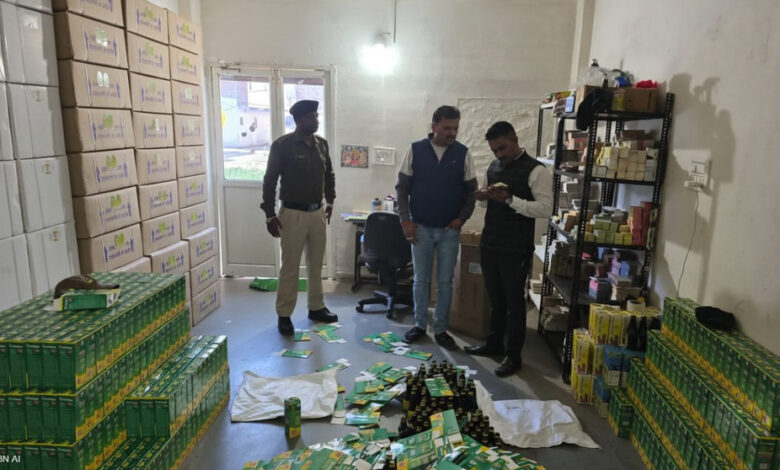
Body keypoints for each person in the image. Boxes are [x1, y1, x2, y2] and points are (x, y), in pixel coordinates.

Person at [464, 121, 553, 377]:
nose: (499, 154)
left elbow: (546, 209)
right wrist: (483, 197)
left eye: (502, 148)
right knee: (496, 299)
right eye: (494, 150)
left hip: (515, 247)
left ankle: (513, 356)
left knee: (515, 303)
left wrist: (511, 200)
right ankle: (493, 344)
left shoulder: (537, 170)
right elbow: (486, 207)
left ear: (515, 139)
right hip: (490, 242)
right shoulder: (494, 167)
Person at [395, 105, 478, 350]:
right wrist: (405, 220)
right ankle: (420, 325)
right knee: (421, 280)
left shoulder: (463, 153)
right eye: (447, 128)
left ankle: (441, 329)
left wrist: (461, 220)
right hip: (420, 228)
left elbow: (472, 193)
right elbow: (402, 188)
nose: (452, 132)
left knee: (444, 282)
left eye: (455, 128)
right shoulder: (415, 150)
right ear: (434, 127)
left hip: (449, 231)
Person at [261, 100, 338, 336]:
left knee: (316, 264)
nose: (316, 120)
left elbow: (329, 174)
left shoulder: (321, 145)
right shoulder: (283, 146)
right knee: (291, 267)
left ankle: (316, 307)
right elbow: (270, 180)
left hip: (317, 213)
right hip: (292, 214)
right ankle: (284, 315)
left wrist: (330, 201)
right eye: (312, 116)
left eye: (317, 115)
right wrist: (269, 214)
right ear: (300, 120)